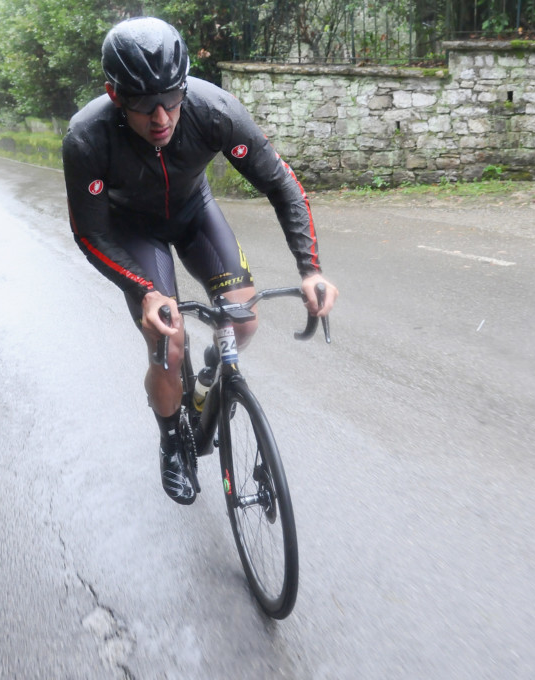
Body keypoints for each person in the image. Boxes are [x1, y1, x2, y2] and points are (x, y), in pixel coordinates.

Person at [63, 17, 338, 505]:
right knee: (169, 344)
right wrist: (145, 292)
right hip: (134, 231)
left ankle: (210, 378)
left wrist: (310, 268)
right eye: (144, 104)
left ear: (185, 85)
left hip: (194, 214)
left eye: (171, 98)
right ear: (114, 94)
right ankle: (171, 441)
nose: (161, 117)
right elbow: (91, 232)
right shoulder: (88, 137)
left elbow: (282, 185)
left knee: (244, 320)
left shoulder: (214, 110)